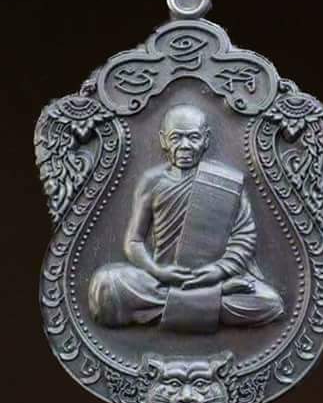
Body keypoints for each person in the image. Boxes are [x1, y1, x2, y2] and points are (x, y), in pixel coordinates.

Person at [89, 104, 284, 332]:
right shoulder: (152, 181)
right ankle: (214, 299)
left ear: (206, 140)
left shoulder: (226, 181)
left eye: (193, 137)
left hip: (213, 276)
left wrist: (218, 272)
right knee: (106, 284)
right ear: (163, 140)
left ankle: (175, 303)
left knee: (270, 302)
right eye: (176, 138)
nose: (184, 146)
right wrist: (158, 271)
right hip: (162, 278)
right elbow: (134, 241)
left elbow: (244, 237)